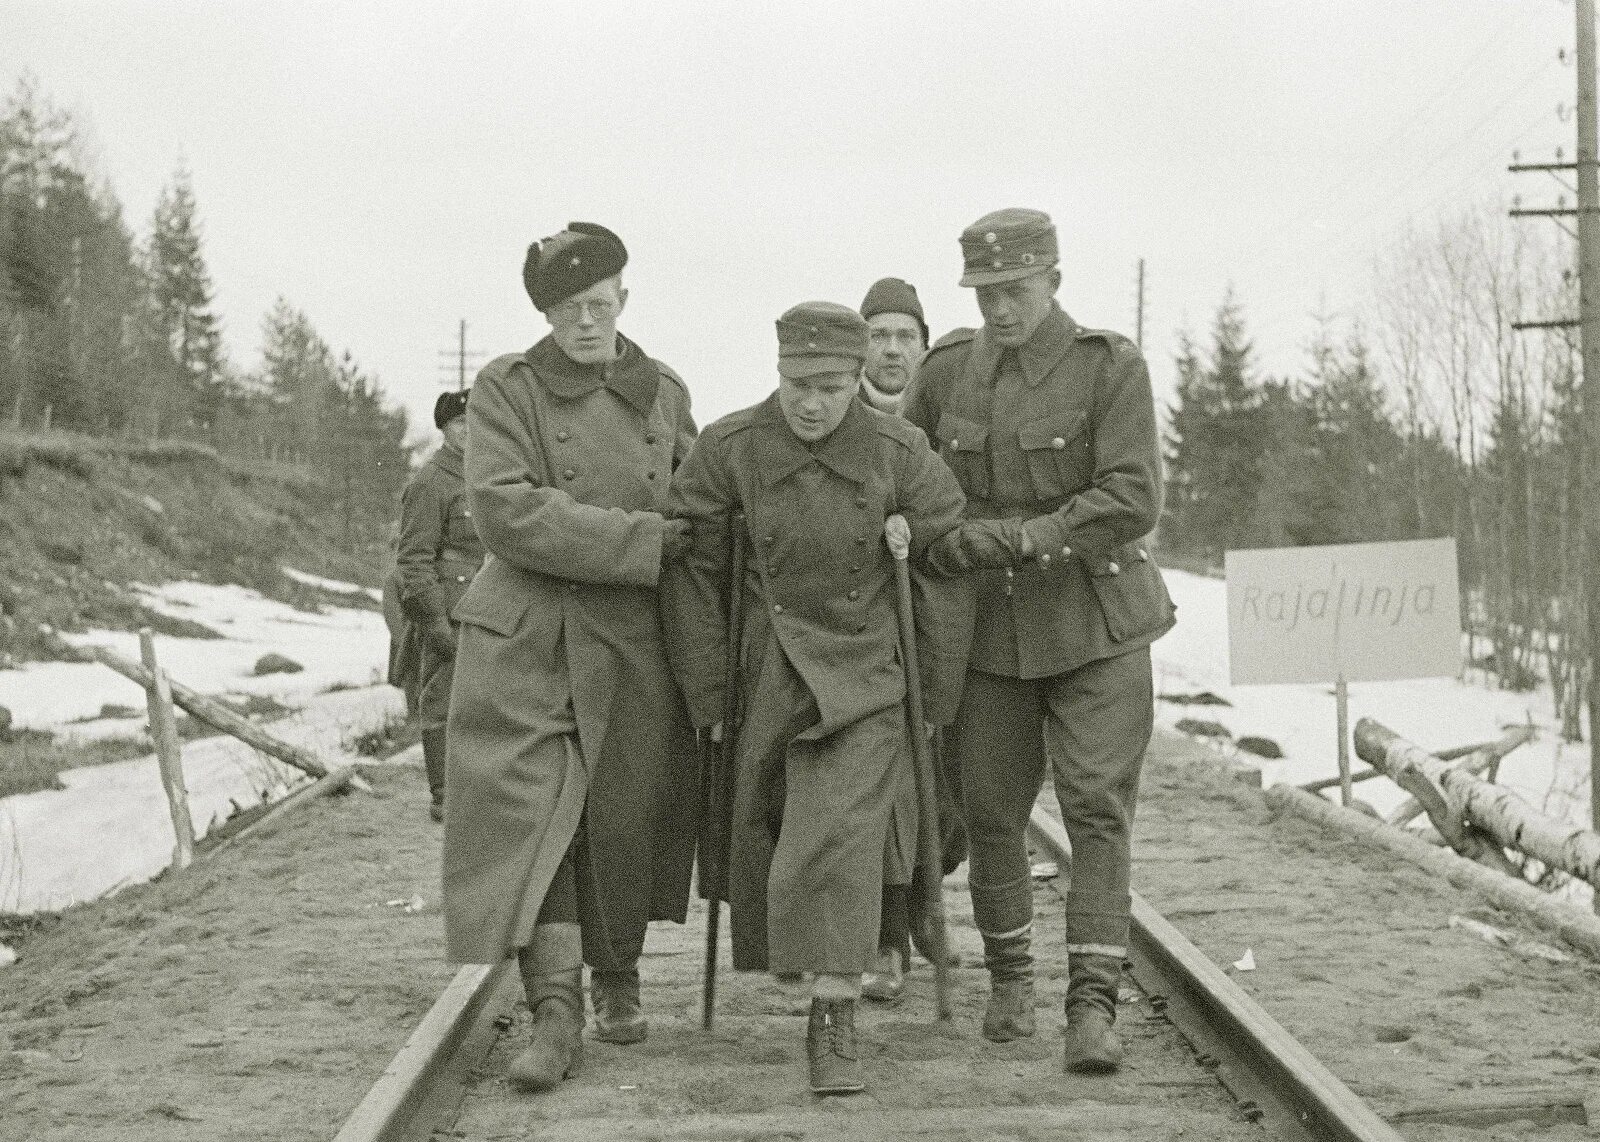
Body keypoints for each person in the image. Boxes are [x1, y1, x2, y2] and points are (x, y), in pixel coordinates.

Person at [664, 301, 1016, 1096]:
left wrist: (937, 686)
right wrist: (706, 683)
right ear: (778, 374)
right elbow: (690, 562)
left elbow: (945, 564)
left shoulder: (902, 452)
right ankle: (808, 965)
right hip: (768, 666)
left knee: (843, 835)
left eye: (828, 386)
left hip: (867, 673)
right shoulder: (732, 447)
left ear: (858, 378)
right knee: (772, 829)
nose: (811, 403)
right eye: (796, 385)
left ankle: (834, 1014)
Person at [901, 208, 1176, 1074]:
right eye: (985, 293)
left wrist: (1032, 535)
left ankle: (1091, 1006)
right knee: (989, 812)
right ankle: (1011, 979)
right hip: (989, 635)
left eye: (1014, 290)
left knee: (1096, 810)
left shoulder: (1109, 368)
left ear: (1053, 278)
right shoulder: (947, 372)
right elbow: (908, 469)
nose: (1001, 309)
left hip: (1096, 624)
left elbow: (1133, 496)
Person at [442, 222, 698, 1094]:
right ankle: (556, 1008)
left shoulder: (662, 392)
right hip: (531, 635)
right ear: (544, 314)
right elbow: (505, 511)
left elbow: (700, 503)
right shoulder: (506, 389)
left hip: (632, 635)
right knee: (534, 817)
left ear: (624, 297)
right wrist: (643, 541)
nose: (583, 323)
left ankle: (616, 973)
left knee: (621, 812)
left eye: (597, 304)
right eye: (564, 310)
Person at [854, 277, 966, 1006]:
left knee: (948, 777)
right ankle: (887, 932)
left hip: (939, 612)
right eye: (879, 335)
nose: (893, 350)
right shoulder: (835, 410)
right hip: (863, 625)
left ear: (923, 346)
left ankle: (930, 891)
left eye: (906, 336)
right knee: (883, 786)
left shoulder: (946, 415)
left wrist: (920, 531)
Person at [395, 390, 483, 822]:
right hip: (449, 609)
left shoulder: (489, 476)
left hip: (493, 610)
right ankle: (444, 794)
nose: (469, 431)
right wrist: (435, 621)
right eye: (459, 424)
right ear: (444, 429)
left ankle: (481, 790)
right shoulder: (431, 481)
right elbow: (413, 561)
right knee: (443, 701)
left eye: (475, 422)